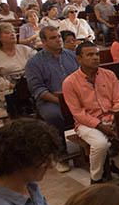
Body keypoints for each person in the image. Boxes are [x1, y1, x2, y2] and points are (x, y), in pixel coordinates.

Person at [62, 42, 119, 184]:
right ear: (79, 59)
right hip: (87, 123)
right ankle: (96, 177)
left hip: (112, 118)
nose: (95, 58)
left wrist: (112, 120)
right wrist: (100, 125)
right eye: (90, 55)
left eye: (97, 54)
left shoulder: (109, 75)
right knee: (100, 144)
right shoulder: (70, 82)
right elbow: (78, 113)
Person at [25, 26, 80, 171]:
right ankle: (59, 154)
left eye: (59, 37)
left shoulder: (71, 55)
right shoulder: (34, 62)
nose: (58, 40)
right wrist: (61, 101)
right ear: (43, 41)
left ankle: (95, 144)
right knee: (55, 116)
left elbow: (82, 76)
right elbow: (38, 89)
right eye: (53, 38)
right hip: (50, 100)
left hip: (76, 96)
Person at [0, 22, 36, 109]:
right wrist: (13, 86)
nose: (12, 34)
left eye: (13, 32)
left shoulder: (26, 50)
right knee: (16, 99)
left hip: (30, 85)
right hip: (8, 89)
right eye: (7, 33)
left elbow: (37, 67)